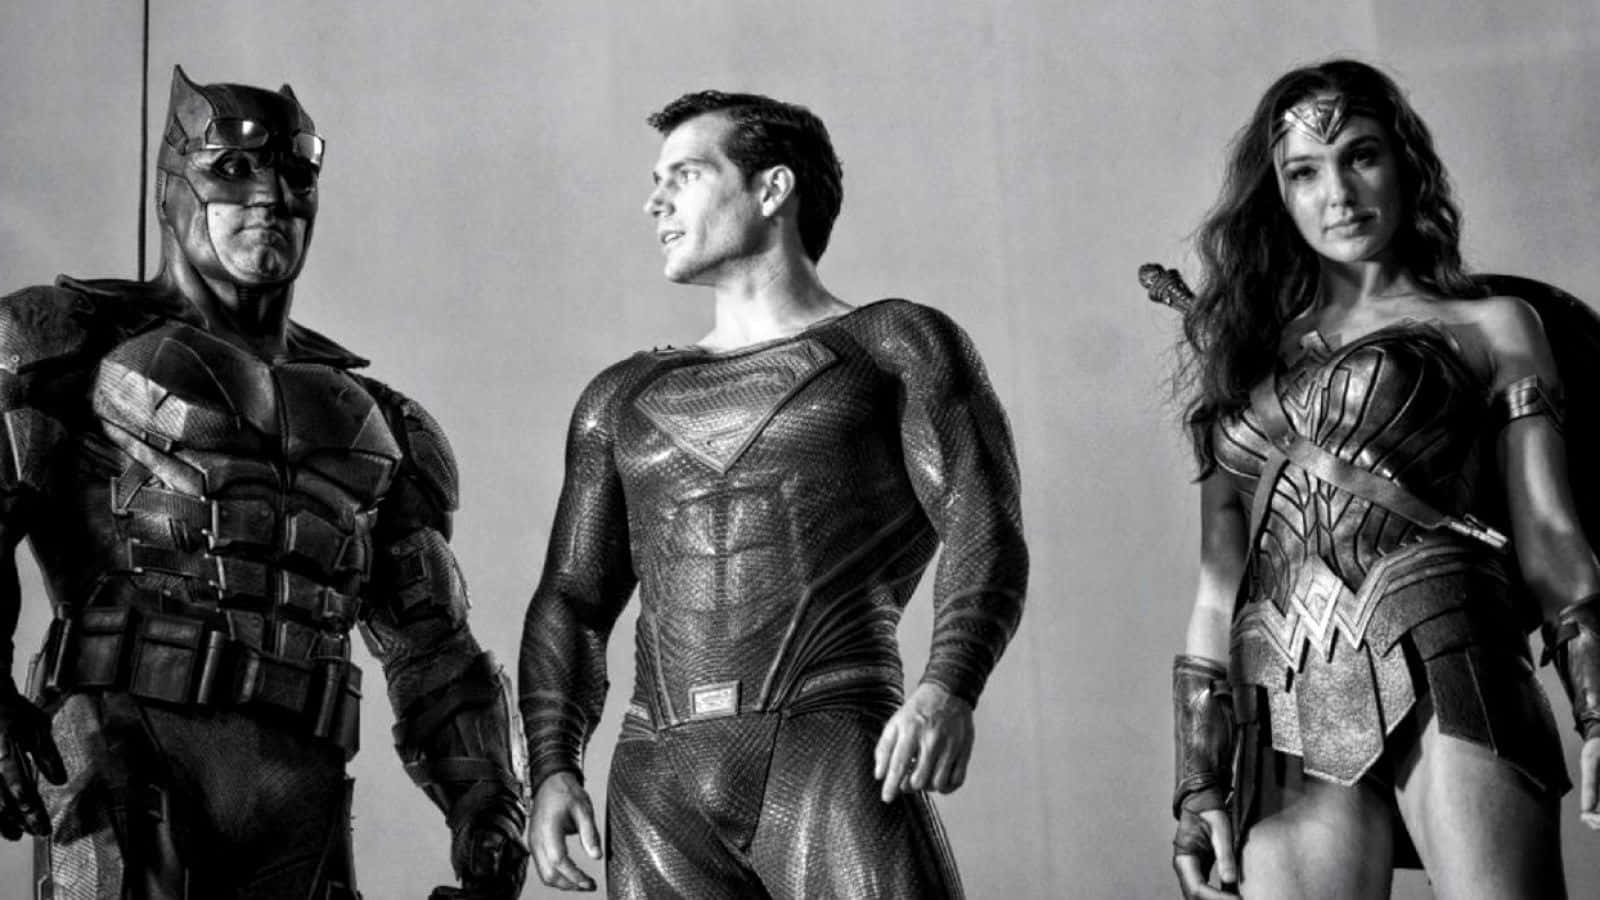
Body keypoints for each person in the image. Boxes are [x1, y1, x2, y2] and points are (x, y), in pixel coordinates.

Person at [0, 66, 527, 899]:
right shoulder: (65, 343)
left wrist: (489, 802)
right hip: (126, 747)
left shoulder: (381, 421)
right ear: (174, 184)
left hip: (301, 786)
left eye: (296, 177)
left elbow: (430, 639)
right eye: (234, 168)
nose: (273, 196)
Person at [518, 90, 1028, 897]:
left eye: (685, 175)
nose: (655, 202)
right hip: (657, 780)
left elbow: (982, 526)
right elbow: (573, 597)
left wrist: (948, 685)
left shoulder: (893, 345)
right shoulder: (619, 398)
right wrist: (552, 764)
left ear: (772, 188)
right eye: (656, 181)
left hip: (827, 748)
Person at [1168, 58, 1600, 899]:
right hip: (1286, 691)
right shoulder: (1242, 365)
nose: (1338, 192)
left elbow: (1550, 533)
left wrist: (1597, 706)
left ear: (1405, 164)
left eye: (1361, 155)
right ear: (1277, 194)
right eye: (1304, 171)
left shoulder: (1494, 326)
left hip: (1452, 659)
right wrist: (1197, 782)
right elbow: (1217, 591)